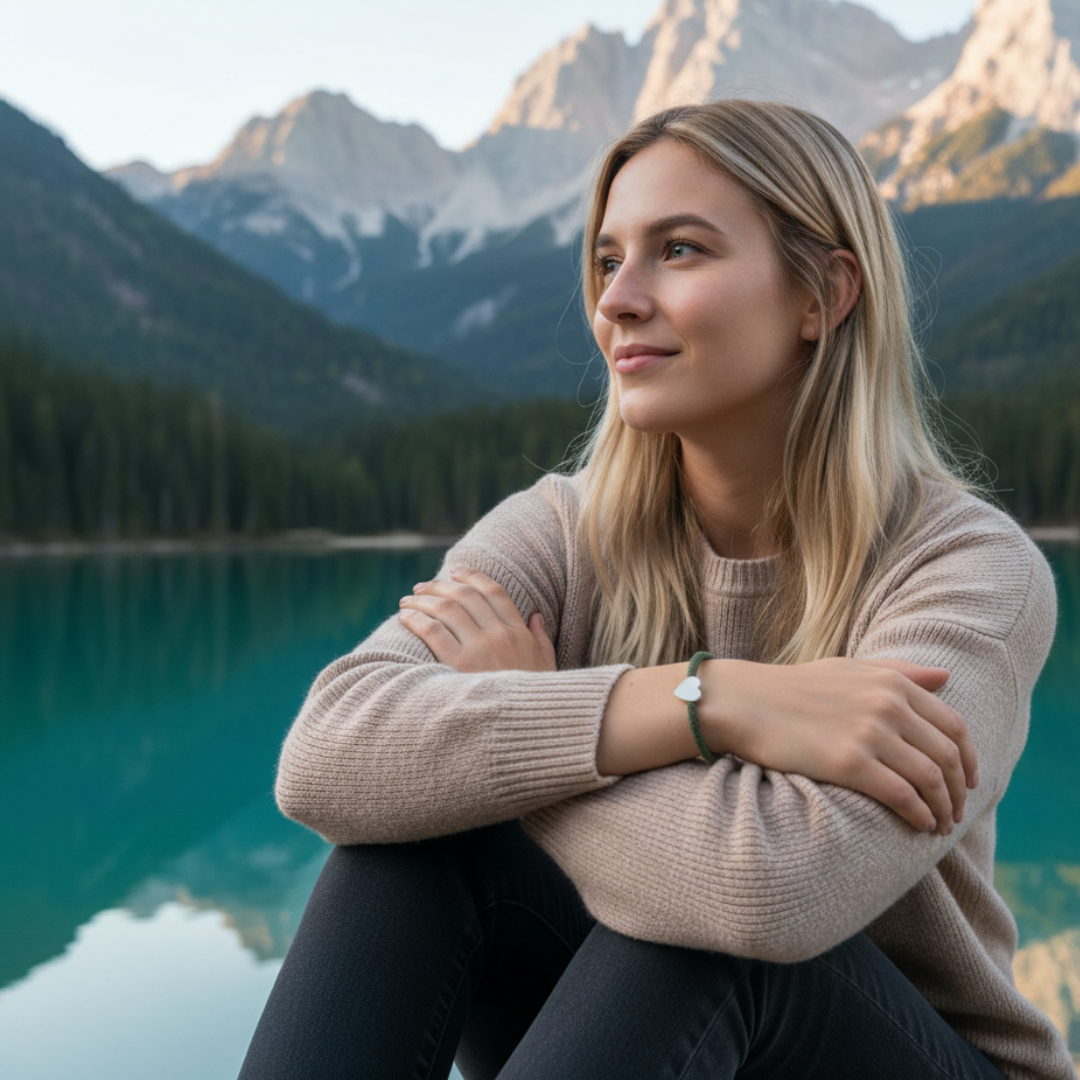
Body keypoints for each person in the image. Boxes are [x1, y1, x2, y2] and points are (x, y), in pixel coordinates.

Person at [238, 101, 1075, 1080]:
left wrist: (520, 736)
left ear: (824, 295)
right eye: (605, 261)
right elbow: (328, 753)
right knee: (407, 860)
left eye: (679, 251)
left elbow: (768, 890)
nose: (618, 301)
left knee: (698, 936)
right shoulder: (561, 527)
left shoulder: (967, 573)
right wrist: (706, 700)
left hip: (902, 1055)